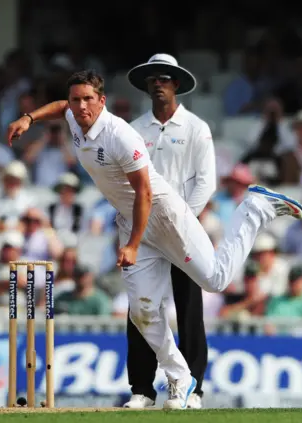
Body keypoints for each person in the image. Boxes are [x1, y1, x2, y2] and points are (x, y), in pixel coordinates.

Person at [6, 69, 302, 410]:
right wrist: (29, 118)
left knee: (217, 280)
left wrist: (132, 244)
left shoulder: (120, 134)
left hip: (162, 214)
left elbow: (145, 193)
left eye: (88, 99)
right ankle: (180, 376)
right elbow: (60, 106)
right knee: (143, 311)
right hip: (132, 221)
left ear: (102, 102)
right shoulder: (74, 117)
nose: (80, 106)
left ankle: (254, 207)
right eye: (77, 99)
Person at [124, 54, 215, 409]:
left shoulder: (196, 128)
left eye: (164, 78)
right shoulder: (134, 129)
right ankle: (142, 389)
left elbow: (205, 183)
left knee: (189, 309)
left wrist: (183, 222)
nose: (158, 83)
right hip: (146, 233)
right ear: (147, 86)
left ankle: (195, 388)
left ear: (176, 84)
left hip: (183, 232)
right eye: (152, 79)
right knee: (142, 307)